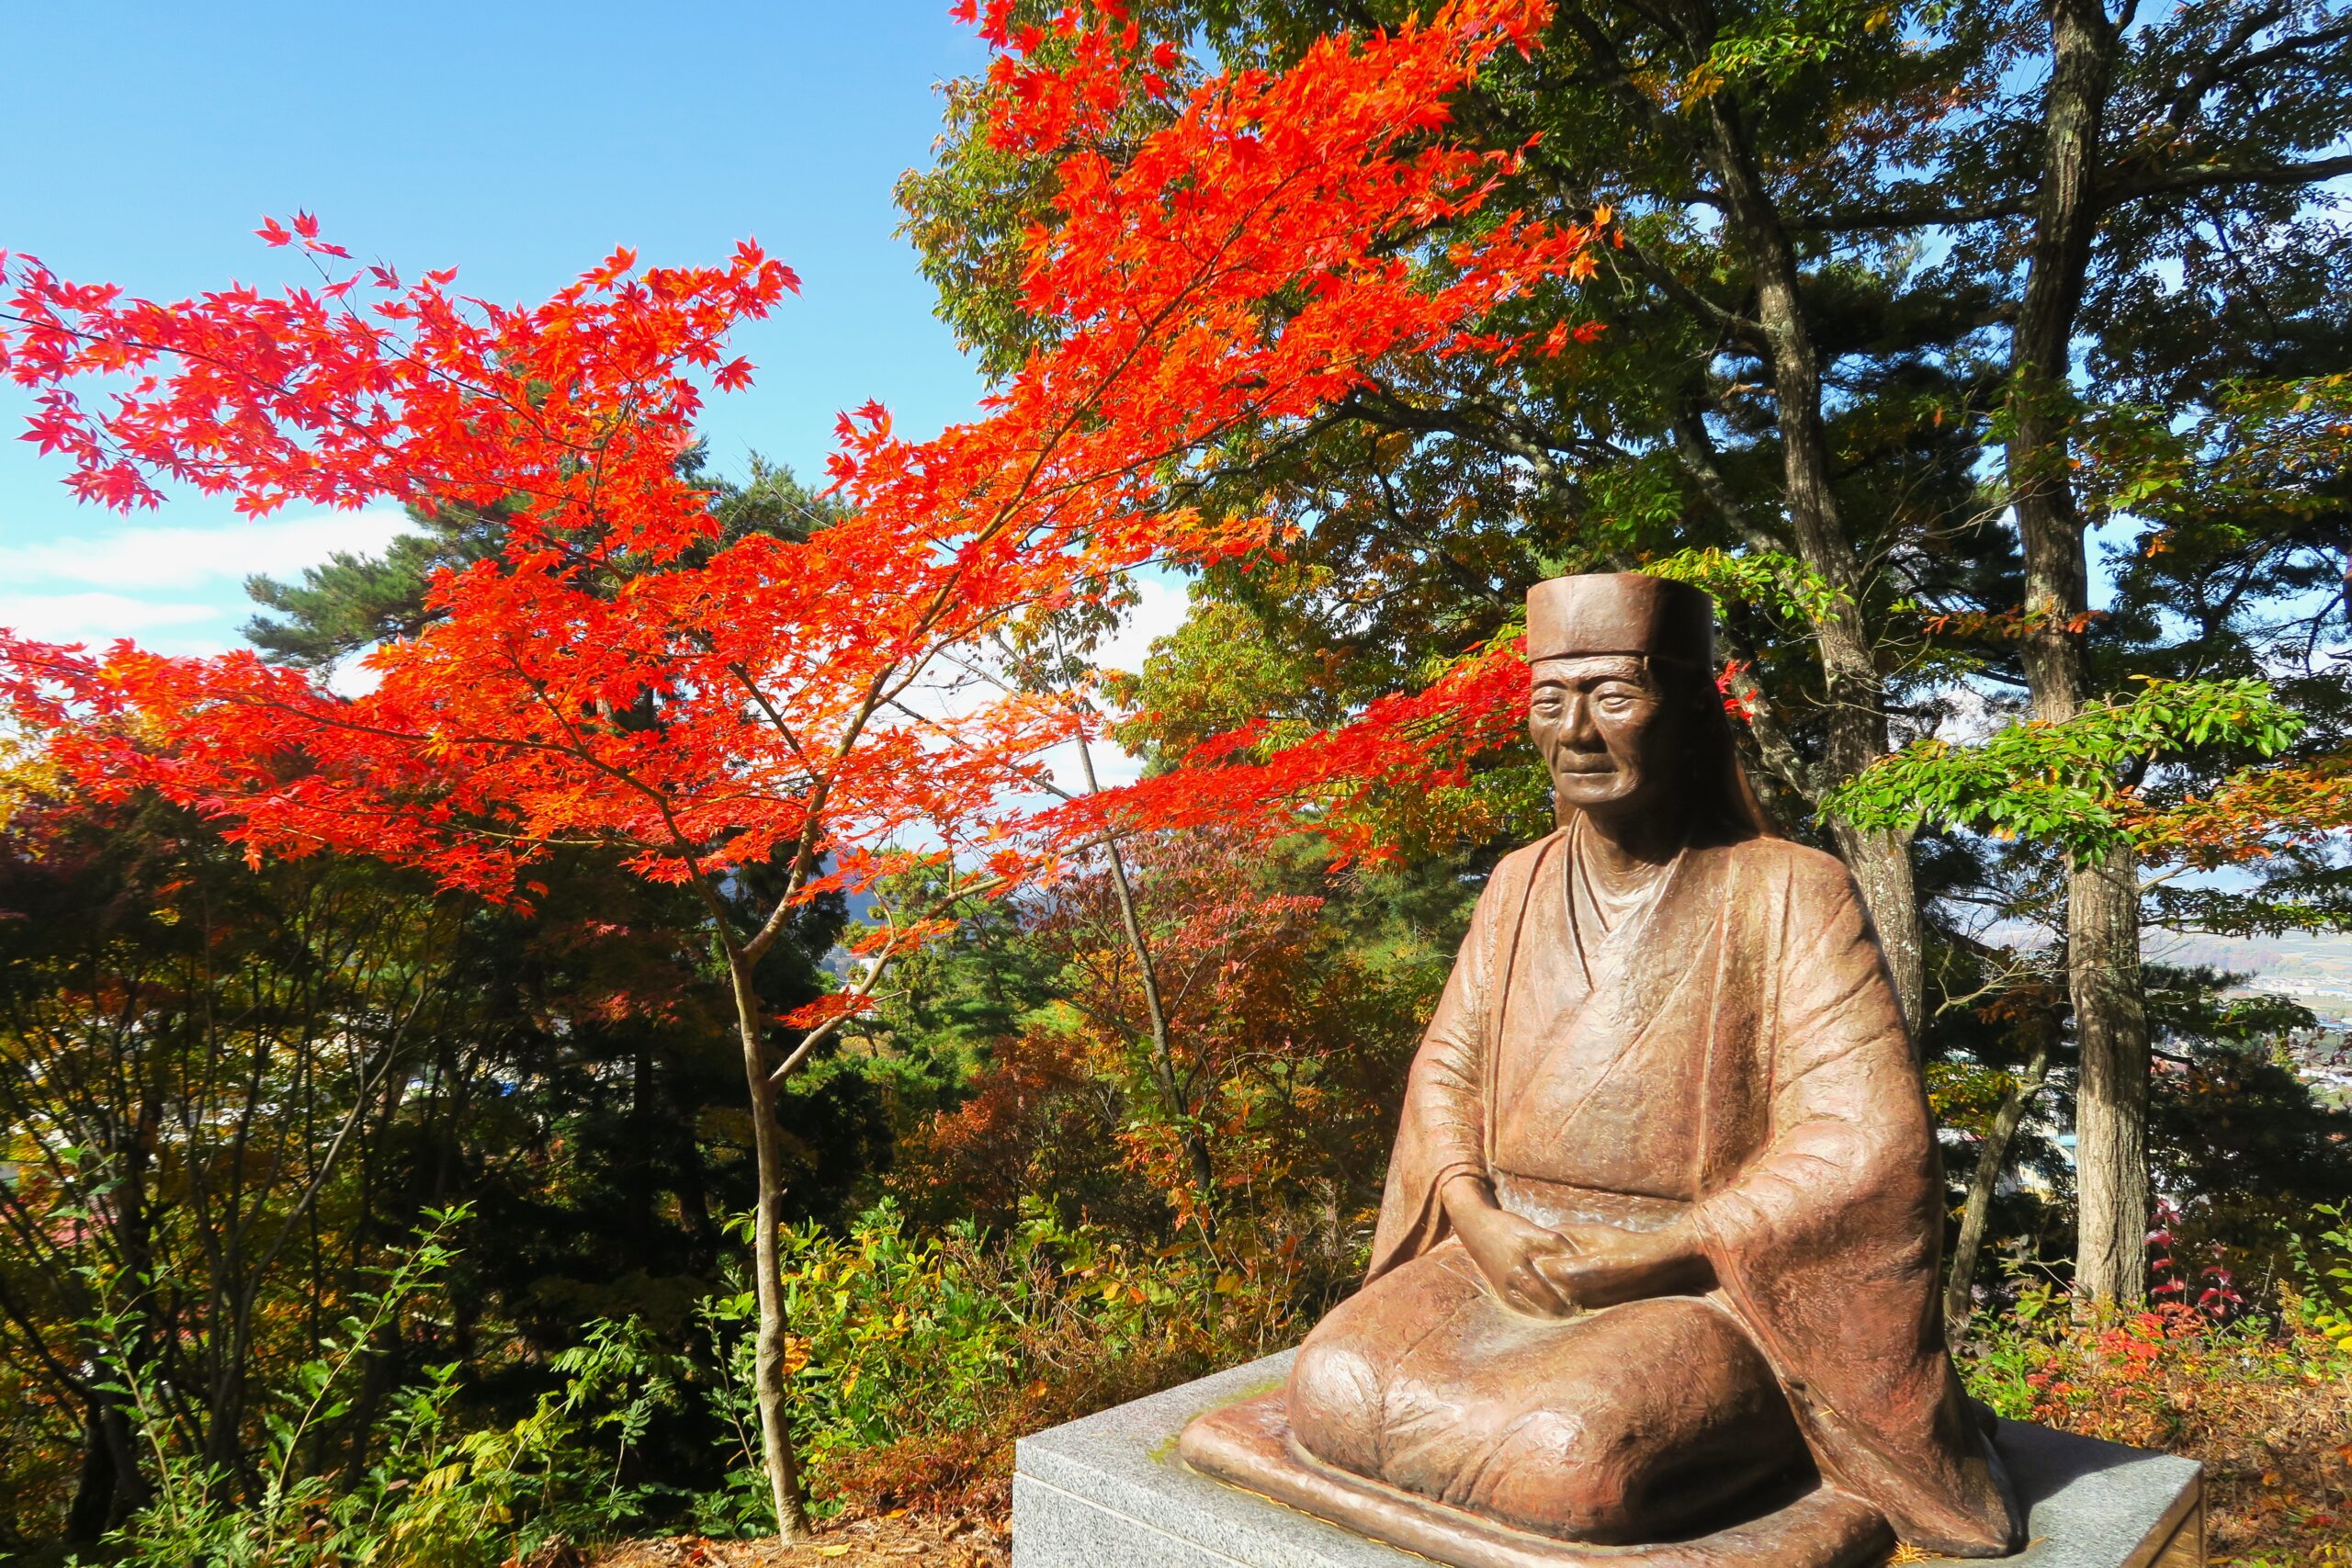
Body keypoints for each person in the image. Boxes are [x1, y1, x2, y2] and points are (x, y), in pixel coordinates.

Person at [1190, 574, 2020, 1564]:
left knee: (1570, 1456)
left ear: (1686, 715)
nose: (1578, 731)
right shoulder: (1517, 882)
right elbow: (1448, 1068)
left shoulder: (1790, 891)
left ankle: (1796, 1479)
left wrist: (1673, 1244)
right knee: (1333, 1388)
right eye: (1552, 702)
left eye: (1614, 697)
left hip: (1707, 1282)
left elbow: (1859, 1136)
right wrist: (1472, 1212)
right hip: (1507, 1246)